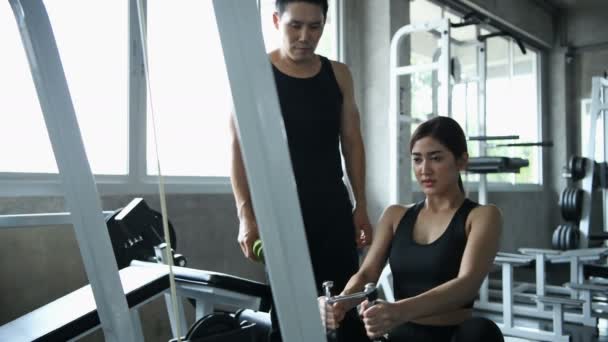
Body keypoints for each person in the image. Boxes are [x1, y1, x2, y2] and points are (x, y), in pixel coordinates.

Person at [229, 0, 372, 341]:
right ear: (277, 20)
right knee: (291, 313)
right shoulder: (255, 72)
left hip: (332, 208)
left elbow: (352, 142)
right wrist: (246, 215)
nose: (305, 36)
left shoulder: (338, 74)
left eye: (315, 27)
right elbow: (237, 147)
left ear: (325, 24)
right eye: (295, 26)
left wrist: (361, 206)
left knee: (344, 309)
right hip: (279, 213)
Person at [322, 116, 504, 342]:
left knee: (481, 332)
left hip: (454, 335)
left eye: (436, 158)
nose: (424, 169)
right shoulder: (395, 215)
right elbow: (367, 274)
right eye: (417, 160)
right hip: (403, 335)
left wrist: (398, 311)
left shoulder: (482, 216)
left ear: (461, 161)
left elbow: (466, 285)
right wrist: (341, 301)